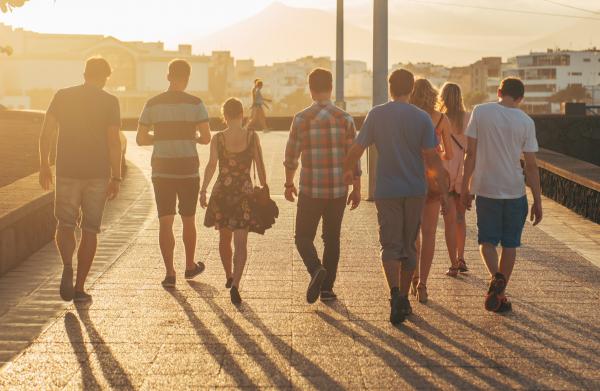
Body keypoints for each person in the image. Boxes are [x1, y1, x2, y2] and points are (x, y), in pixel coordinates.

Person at [344, 69, 449, 325]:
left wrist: (349, 174)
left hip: (387, 191)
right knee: (409, 243)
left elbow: (357, 149)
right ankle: (404, 295)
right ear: (411, 89)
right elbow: (433, 157)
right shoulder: (422, 118)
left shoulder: (377, 115)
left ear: (389, 87)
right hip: (415, 190)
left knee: (390, 245)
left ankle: (394, 296)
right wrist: (444, 189)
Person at [39, 56, 122, 302]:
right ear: (105, 77)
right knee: (90, 229)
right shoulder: (110, 101)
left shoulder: (63, 96)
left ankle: (67, 264)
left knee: (65, 224)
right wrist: (116, 176)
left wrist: (44, 164)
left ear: (84, 73)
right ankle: (79, 287)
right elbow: (113, 142)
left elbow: (46, 133)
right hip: (97, 173)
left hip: (66, 170)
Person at [461, 77, 542, 313]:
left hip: (486, 189)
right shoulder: (526, 121)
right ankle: (500, 291)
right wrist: (537, 200)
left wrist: (466, 187)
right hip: (515, 191)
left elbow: (470, 153)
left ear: (499, 91)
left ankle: (496, 280)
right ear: (520, 98)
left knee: (486, 242)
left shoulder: (481, 112)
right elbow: (532, 166)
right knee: (510, 245)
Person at [284, 68, 361, 304]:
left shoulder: (301, 118)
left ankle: (316, 268)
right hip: (338, 189)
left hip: (310, 188)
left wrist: (288, 183)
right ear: (331, 87)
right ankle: (327, 290)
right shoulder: (345, 118)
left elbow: (291, 156)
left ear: (310, 88)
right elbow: (353, 156)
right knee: (332, 238)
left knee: (303, 237)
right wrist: (357, 188)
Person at [136, 59, 211, 288]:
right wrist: (191, 138)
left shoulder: (152, 104)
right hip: (188, 170)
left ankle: (170, 273)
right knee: (188, 220)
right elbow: (207, 138)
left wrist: (160, 137)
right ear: (187, 78)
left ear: (168, 76)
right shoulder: (196, 104)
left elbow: (140, 139)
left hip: (162, 170)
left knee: (165, 222)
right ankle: (189, 265)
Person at [200, 98, 268, 304]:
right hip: (244, 193)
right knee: (241, 242)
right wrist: (265, 186)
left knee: (224, 238)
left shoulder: (218, 138)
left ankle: (228, 275)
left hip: (222, 192)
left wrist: (203, 189)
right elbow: (260, 163)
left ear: (224, 116)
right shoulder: (251, 137)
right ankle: (236, 284)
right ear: (242, 114)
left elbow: (212, 165)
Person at [409, 79, 453, 304]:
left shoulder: (409, 116)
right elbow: (449, 154)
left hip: (412, 176)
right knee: (430, 233)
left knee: (413, 233)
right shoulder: (441, 119)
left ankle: (413, 276)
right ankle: (423, 283)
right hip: (435, 180)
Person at [439, 82, 471, 277]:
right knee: (460, 218)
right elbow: (472, 149)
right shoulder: (468, 118)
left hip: (444, 173)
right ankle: (461, 257)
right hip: (464, 173)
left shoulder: (440, 119)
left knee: (449, 221)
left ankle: (453, 264)